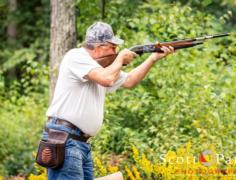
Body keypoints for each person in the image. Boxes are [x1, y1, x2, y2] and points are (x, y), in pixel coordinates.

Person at [42, 21, 174, 180]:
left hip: (80, 143)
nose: (115, 51)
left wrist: (153, 58)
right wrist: (120, 60)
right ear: (98, 47)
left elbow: (130, 80)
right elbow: (107, 79)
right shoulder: (76, 56)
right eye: (112, 47)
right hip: (65, 139)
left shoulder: (103, 69)